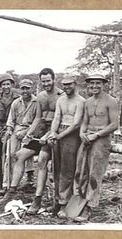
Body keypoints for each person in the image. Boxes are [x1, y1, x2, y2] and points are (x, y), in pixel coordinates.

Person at [0, 68, 63, 206]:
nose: (46, 84)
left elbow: (59, 120)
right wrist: (30, 133)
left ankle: (38, 198)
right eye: (43, 81)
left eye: (48, 81)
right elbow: (38, 118)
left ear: (54, 79)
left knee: (42, 160)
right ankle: (11, 192)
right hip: (40, 132)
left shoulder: (61, 96)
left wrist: (49, 134)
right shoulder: (41, 96)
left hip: (54, 133)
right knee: (18, 155)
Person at [74, 73, 118, 221]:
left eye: (98, 83)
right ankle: (79, 203)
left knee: (95, 173)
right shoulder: (87, 102)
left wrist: (97, 135)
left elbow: (114, 124)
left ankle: (90, 206)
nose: (94, 86)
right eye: (92, 83)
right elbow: (85, 121)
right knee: (81, 171)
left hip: (101, 140)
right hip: (87, 138)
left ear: (103, 84)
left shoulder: (111, 101)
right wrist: (82, 133)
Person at [47, 75, 85, 218]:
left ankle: (64, 203)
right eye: (64, 85)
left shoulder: (81, 101)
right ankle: (57, 200)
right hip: (59, 132)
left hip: (72, 135)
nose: (66, 87)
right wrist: (53, 133)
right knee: (56, 168)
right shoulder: (61, 100)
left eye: (69, 84)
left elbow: (76, 123)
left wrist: (60, 136)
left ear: (75, 84)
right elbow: (57, 117)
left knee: (67, 170)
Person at [0, 79, 37, 195]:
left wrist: (27, 132)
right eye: (23, 88)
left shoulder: (37, 102)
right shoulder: (16, 103)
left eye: (27, 88)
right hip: (17, 129)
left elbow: (38, 121)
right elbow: (11, 120)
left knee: (27, 152)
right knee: (11, 155)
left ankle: (30, 180)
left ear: (32, 88)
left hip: (32, 130)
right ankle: (9, 183)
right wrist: (9, 131)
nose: (25, 91)